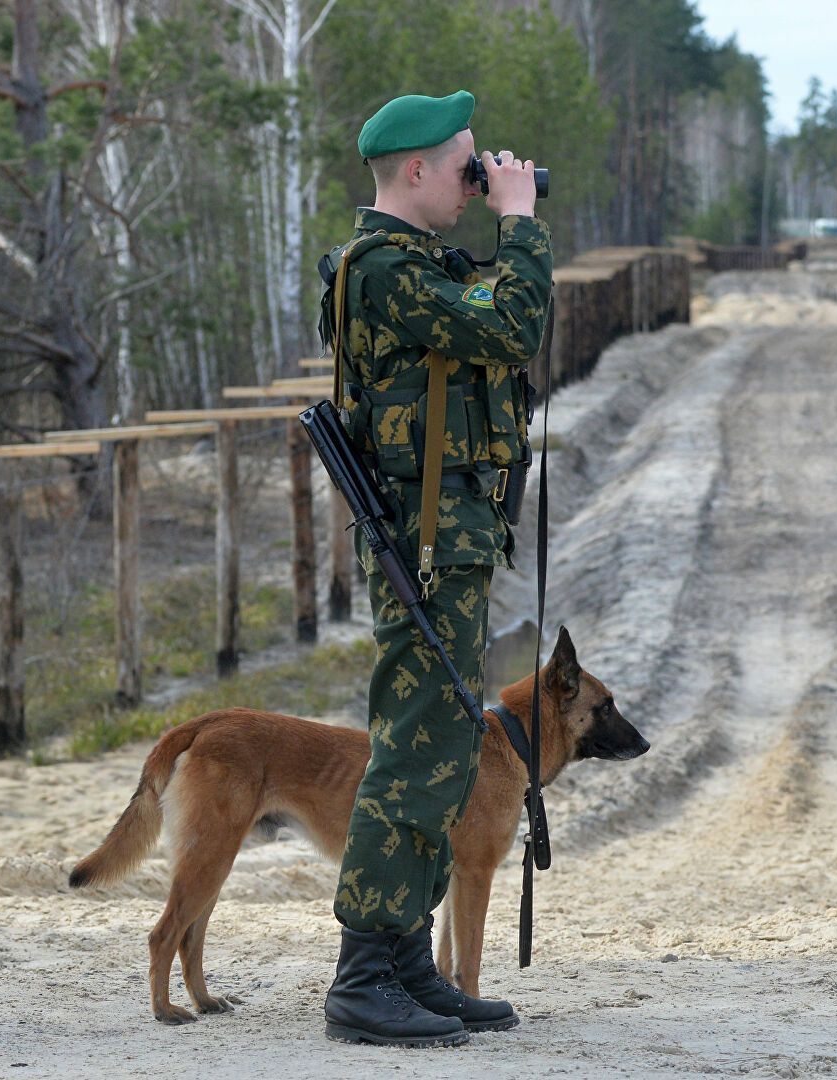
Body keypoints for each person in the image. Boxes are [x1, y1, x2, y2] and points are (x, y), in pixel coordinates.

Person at [316, 90, 552, 1047]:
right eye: (465, 166)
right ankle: (362, 972)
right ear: (413, 171)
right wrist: (523, 223)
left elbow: (486, 320)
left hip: (446, 534)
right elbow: (509, 327)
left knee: (445, 749)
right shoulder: (383, 268)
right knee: (414, 749)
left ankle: (406, 960)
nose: (478, 181)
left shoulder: (419, 267)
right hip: (424, 540)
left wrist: (504, 226)